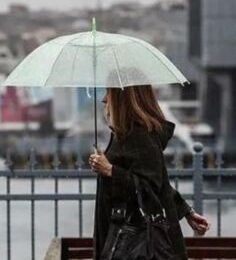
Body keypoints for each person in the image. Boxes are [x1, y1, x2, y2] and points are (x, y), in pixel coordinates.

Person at [88, 85, 210, 260]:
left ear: (125, 97)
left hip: (133, 240)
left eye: (109, 92)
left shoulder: (140, 136)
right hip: (124, 235)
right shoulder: (126, 134)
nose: (104, 99)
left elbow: (149, 187)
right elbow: (158, 182)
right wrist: (186, 211)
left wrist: (110, 170)